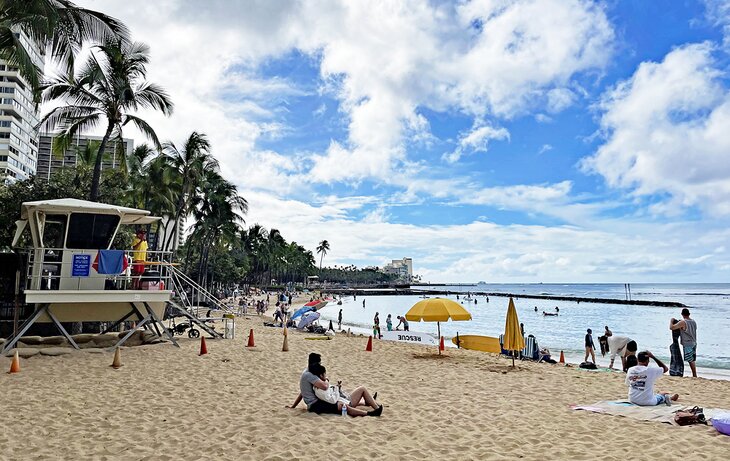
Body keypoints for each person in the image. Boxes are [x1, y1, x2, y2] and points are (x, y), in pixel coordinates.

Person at [289, 353, 382, 417]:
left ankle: (373, 405)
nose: (320, 365)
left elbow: (303, 392)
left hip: (319, 402)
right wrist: (326, 380)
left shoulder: (307, 372)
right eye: (319, 363)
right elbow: (325, 386)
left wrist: (293, 406)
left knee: (354, 394)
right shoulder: (310, 375)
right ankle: (369, 413)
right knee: (343, 406)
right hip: (315, 405)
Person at [670, 308, 697, 377]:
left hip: (688, 343)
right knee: (692, 359)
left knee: (690, 360)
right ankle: (694, 374)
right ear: (689, 314)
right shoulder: (693, 321)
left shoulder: (683, 322)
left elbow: (672, 327)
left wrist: (671, 320)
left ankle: (694, 374)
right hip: (694, 342)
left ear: (682, 314)